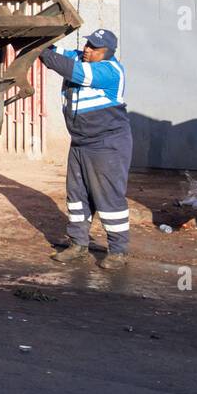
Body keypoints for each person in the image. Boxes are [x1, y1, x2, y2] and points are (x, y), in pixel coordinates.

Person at [39, 29, 132, 270]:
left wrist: (40, 51)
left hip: (107, 144)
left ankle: (118, 251)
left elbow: (72, 71)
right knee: (77, 196)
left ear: (107, 53)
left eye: (94, 48)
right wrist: (37, 41)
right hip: (80, 142)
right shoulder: (80, 56)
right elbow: (55, 53)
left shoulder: (110, 71)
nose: (88, 49)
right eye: (88, 44)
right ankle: (78, 244)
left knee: (109, 197)